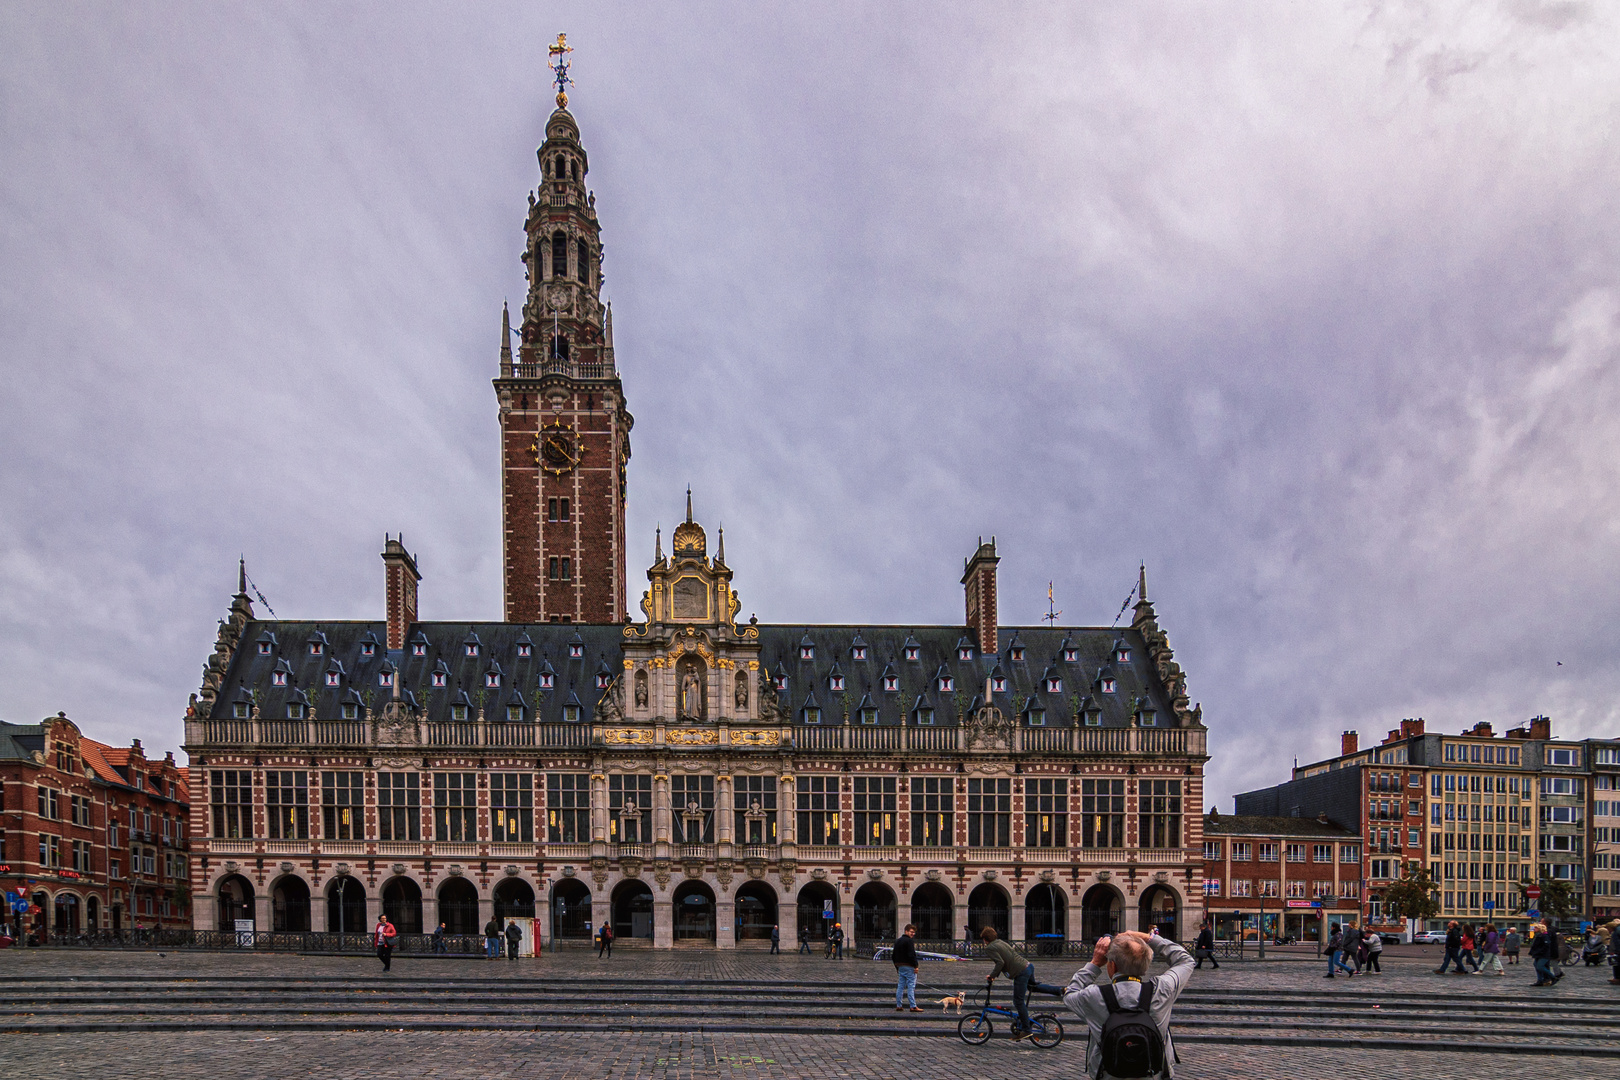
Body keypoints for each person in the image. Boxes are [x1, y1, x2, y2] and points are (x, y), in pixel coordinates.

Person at [1065, 927, 1194, 1078]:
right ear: (1146, 966)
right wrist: (1147, 938)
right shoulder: (1162, 989)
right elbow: (1185, 960)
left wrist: (1094, 963)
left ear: (1112, 965)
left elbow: (1070, 994)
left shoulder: (1093, 995)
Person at [981, 926, 1036, 1039]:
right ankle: (1059, 990)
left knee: (1018, 1001)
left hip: (1020, 972)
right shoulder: (1000, 942)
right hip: (1028, 966)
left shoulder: (989, 947)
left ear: (985, 939)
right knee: (1034, 987)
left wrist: (992, 976)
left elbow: (1000, 962)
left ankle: (1026, 1029)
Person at [893, 923, 922, 1012]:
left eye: (914, 932)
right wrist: (916, 966)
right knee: (911, 986)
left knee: (900, 986)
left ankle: (899, 1005)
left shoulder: (897, 941)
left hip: (900, 966)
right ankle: (913, 1006)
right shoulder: (909, 941)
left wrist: (897, 967)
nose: (913, 934)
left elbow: (893, 955)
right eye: (911, 932)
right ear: (906, 931)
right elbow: (911, 955)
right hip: (909, 966)